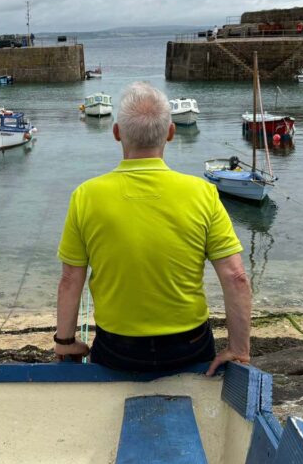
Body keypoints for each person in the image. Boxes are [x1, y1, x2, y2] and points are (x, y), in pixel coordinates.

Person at [53, 82, 252, 375]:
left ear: (117, 132)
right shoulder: (203, 193)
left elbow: (71, 279)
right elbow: (236, 277)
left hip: (118, 348)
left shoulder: (85, 196)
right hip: (189, 345)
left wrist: (65, 341)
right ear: (170, 132)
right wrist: (239, 349)